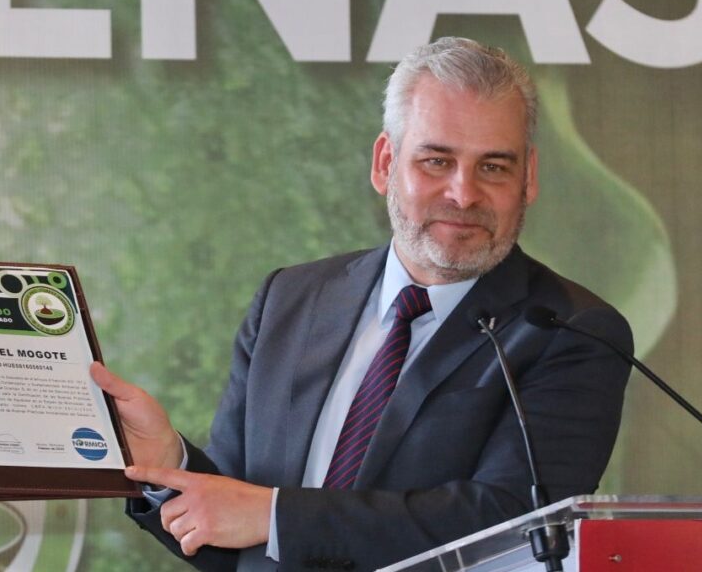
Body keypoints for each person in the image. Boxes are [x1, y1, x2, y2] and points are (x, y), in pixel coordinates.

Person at [91, 36, 632, 572]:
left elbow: (516, 522)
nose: (464, 194)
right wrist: (168, 463)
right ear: (385, 163)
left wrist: (277, 517)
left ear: (529, 177)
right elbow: (234, 522)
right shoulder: (290, 299)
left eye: (493, 167)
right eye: (436, 161)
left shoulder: (573, 330)